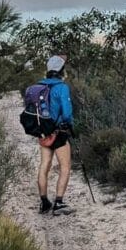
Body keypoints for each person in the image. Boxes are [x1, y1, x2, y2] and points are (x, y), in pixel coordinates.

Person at [28, 54, 75, 215]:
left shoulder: (39, 86)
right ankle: (59, 203)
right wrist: (69, 125)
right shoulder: (62, 87)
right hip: (59, 132)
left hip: (43, 133)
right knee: (65, 167)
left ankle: (44, 202)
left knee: (44, 165)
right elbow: (67, 113)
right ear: (61, 70)